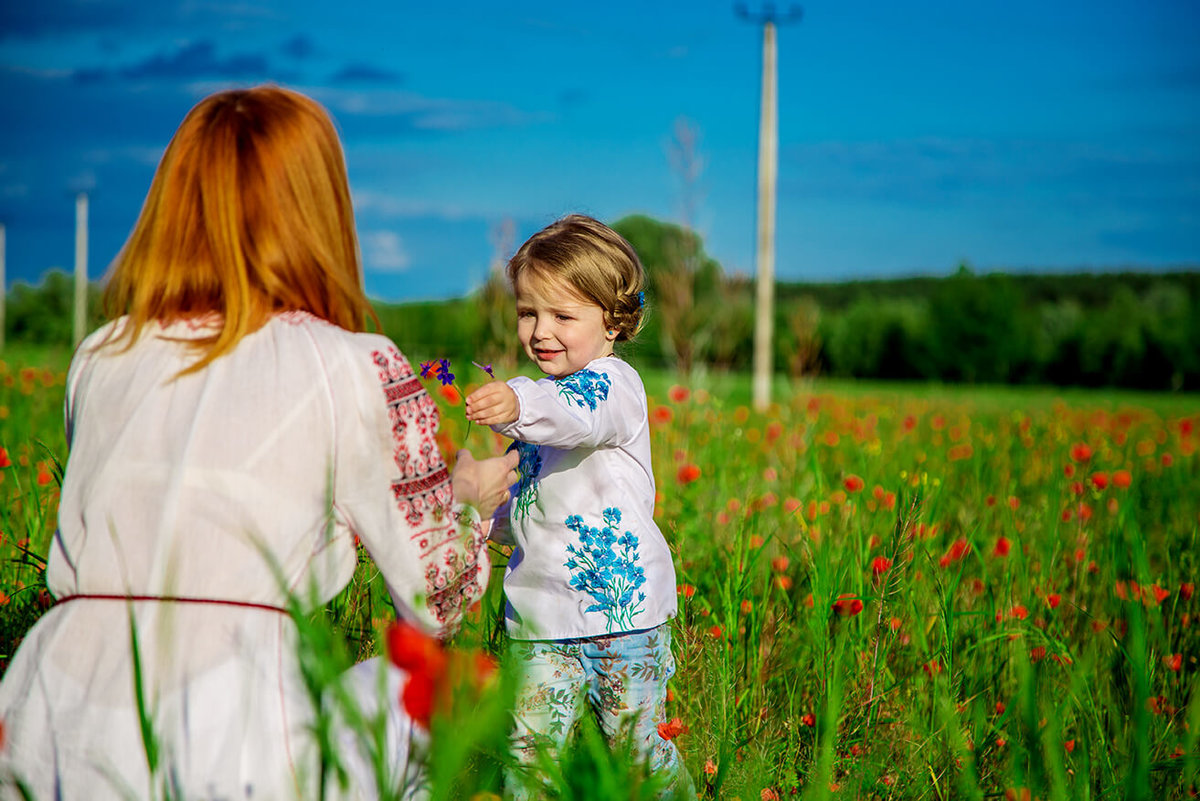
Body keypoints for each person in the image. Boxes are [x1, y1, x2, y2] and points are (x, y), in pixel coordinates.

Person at [0, 86, 518, 800]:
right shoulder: (353, 364)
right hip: (229, 725)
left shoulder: (100, 353)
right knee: (415, 690)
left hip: (49, 715)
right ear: (319, 209)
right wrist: (465, 498)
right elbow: (441, 599)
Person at [465, 214, 693, 799]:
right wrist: (475, 522)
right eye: (527, 312)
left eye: (563, 316)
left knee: (637, 755)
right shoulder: (538, 411)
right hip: (540, 621)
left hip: (624, 622)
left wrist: (516, 398)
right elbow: (529, 504)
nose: (541, 331)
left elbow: (576, 411)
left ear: (614, 322)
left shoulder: (613, 387)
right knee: (529, 758)